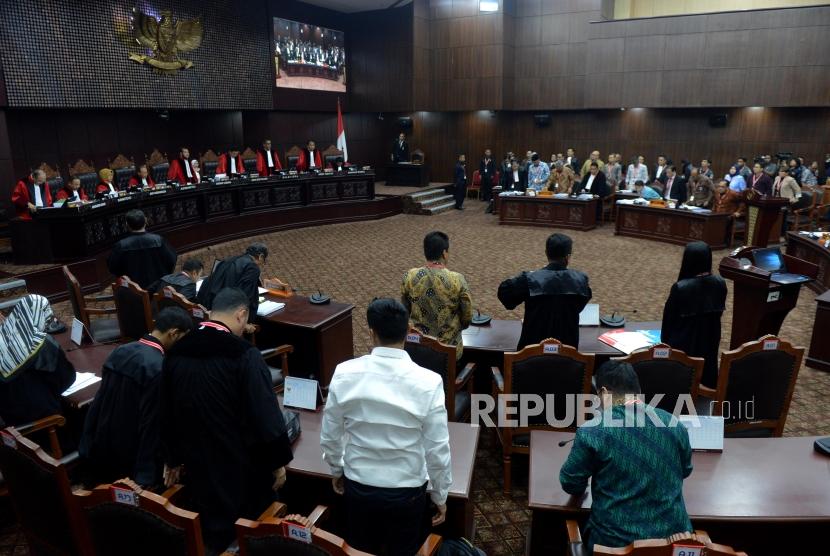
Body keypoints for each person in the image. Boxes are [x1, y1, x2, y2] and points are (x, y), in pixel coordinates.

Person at [161, 288, 293, 553]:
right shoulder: (244, 354)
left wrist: (172, 457)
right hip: (240, 471)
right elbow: (265, 416)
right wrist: (278, 462)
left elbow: (167, 410)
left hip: (197, 466)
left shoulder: (176, 351)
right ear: (241, 315)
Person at [320, 298, 451, 556]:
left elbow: (331, 435)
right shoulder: (429, 382)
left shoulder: (344, 372)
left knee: (359, 549)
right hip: (407, 493)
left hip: (358, 486)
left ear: (371, 332)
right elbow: (438, 449)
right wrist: (440, 496)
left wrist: (336, 469)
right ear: (409, 332)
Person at [559, 360, 693, 552]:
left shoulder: (593, 431)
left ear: (604, 392)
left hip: (613, 547)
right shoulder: (674, 423)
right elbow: (685, 470)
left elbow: (570, 483)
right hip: (672, 543)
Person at [80, 307, 193, 487]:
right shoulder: (158, 368)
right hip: (130, 460)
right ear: (174, 334)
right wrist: (144, 479)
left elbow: (98, 404)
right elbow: (151, 425)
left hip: (102, 447)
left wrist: (86, 448)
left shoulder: (120, 350)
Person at [498, 233, 591, 349]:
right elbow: (579, 306)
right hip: (567, 356)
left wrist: (525, 277)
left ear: (546, 253)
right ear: (567, 257)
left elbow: (504, 293)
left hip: (531, 355)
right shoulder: (581, 280)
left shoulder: (529, 279)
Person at [0, 295, 75, 427]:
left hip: (11, 424)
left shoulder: (3, 341)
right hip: (46, 425)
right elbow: (66, 379)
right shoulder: (42, 344)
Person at [661, 242, 727, 388]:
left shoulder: (680, 288)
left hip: (682, 346)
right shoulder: (720, 283)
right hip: (710, 341)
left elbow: (668, 322)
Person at [401, 231, 473, 360]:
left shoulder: (409, 276)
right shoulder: (457, 279)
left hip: (418, 349)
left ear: (425, 252)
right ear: (444, 253)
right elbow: (467, 317)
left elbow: (404, 311)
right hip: (449, 351)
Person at [196, 243, 267, 332]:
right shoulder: (252, 268)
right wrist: (244, 323)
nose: (261, 265)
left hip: (211, 307)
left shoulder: (228, 260)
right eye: (263, 261)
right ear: (261, 256)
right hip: (229, 317)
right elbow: (245, 295)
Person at [107, 209, 177, 290]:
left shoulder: (121, 245)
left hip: (133, 291)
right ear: (146, 221)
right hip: (158, 288)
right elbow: (172, 260)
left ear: (127, 225)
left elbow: (112, 267)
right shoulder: (158, 240)